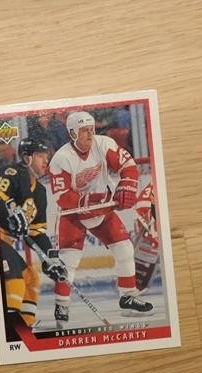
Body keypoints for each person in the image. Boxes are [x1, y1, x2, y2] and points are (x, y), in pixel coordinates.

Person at [47, 111, 153, 323]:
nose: (90, 134)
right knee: (68, 261)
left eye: (92, 129)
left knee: (125, 249)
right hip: (74, 215)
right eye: (84, 131)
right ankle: (62, 306)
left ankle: (128, 297)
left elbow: (128, 166)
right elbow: (63, 197)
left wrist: (126, 186)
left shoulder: (103, 144)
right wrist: (88, 201)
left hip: (103, 209)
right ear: (72, 133)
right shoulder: (61, 159)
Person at [0, 138, 67, 332]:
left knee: (32, 278)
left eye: (47, 156)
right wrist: (8, 213)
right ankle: (10, 329)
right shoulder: (12, 173)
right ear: (27, 158)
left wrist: (50, 259)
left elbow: (37, 233)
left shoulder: (40, 192)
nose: (46, 161)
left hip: (5, 242)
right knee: (15, 280)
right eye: (41, 156)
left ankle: (25, 326)